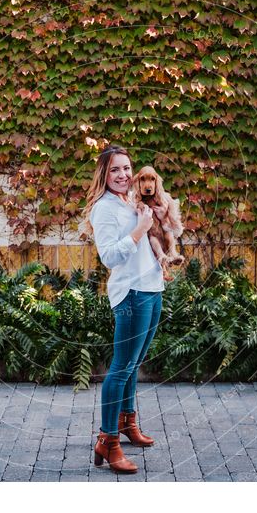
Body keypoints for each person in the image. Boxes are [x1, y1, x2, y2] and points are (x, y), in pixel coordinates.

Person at [79, 144, 168, 474]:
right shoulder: (104, 209)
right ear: (105, 174)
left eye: (127, 168)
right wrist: (139, 230)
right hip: (131, 293)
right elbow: (109, 256)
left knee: (135, 363)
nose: (124, 175)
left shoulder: (130, 200)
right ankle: (108, 440)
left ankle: (128, 422)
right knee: (121, 367)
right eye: (115, 169)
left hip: (151, 286)